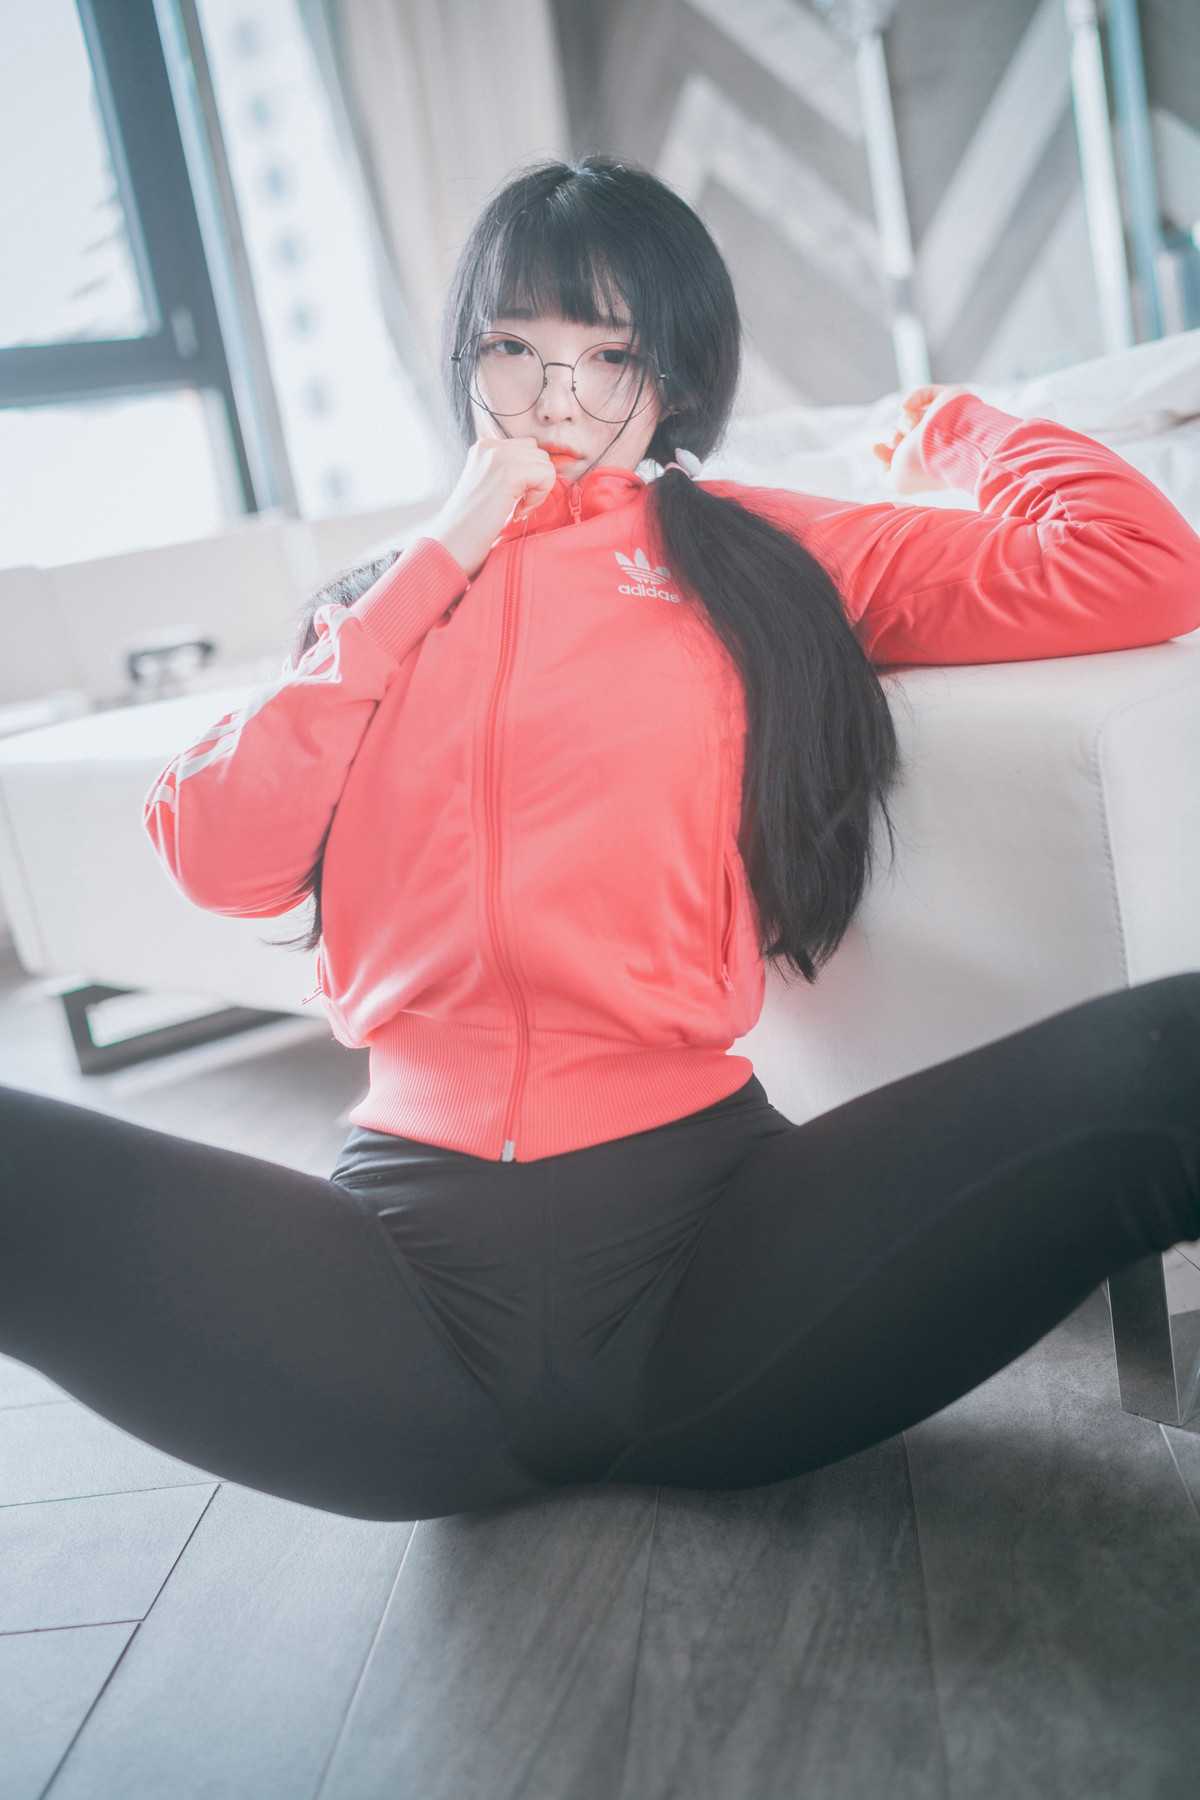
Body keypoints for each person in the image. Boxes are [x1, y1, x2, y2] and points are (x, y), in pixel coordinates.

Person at [4, 155, 1200, 1525]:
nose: (557, 396)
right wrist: (439, 554)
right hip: (395, 1305)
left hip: (722, 1266)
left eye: (611, 352)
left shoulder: (756, 555)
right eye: (515, 345)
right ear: (467, 359)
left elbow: (1136, 565)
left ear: (675, 378)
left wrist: (954, 427)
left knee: (1174, 1051)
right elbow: (218, 851)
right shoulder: (377, 609)